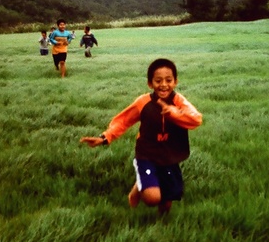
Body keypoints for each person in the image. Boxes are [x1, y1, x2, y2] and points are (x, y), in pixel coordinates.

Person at [80, 58, 202, 216]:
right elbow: (123, 121)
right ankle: (139, 185)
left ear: (175, 81)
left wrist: (175, 113)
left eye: (168, 80)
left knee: (168, 198)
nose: (164, 85)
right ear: (150, 83)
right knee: (152, 198)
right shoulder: (142, 102)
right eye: (158, 81)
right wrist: (104, 137)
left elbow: (196, 119)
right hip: (147, 155)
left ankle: (162, 224)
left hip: (170, 156)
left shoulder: (179, 102)